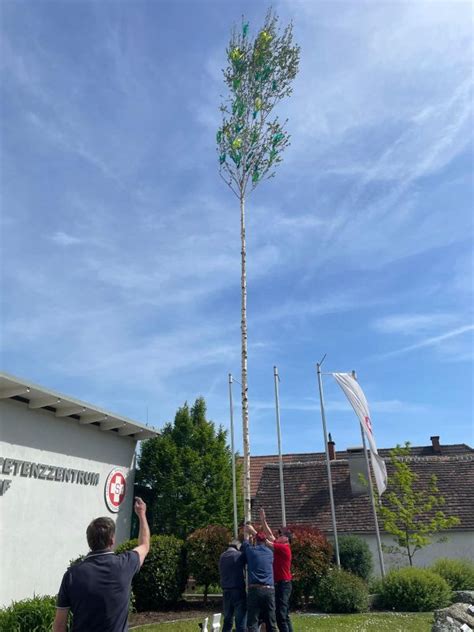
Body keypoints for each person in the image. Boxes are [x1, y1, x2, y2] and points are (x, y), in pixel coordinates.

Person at [52, 497, 150, 632]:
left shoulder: (72, 575)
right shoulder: (125, 564)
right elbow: (144, 545)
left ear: (89, 541)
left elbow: (59, 626)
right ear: (112, 540)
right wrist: (141, 514)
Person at [259, 508, 293, 632]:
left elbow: (267, 541)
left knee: (281, 616)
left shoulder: (284, 548)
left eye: (281, 535)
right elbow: (269, 534)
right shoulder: (280, 546)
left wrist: (255, 534)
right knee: (283, 614)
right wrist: (263, 520)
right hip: (280, 584)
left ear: (286, 540)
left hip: (284, 584)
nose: (278, 536)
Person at [242, 522, 278, 632]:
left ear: (256, 541)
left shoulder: (251, 551)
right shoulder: (271, 552)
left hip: (255, 589)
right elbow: (272, 541)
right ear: (265, 541)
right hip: (269, 590)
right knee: (271, 621)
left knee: (252, 622)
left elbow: (245, 542)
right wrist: (254, 532)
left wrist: (246, 531)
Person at [219, 539, 247, 632]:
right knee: (240, 619)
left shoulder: (222, 556)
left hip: (226, 590)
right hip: (238, 589)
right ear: (237, 547)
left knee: (227, 619)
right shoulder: (239, 555)